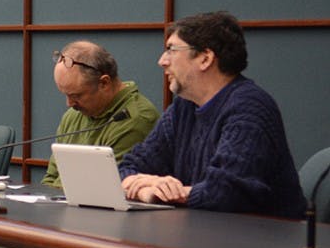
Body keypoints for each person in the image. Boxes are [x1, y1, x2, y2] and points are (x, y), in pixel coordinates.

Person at [119, 11, 305, 218]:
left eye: (171, 50)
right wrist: (147, 190)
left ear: (205, 58)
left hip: (264, 241)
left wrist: (168, 193)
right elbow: (129, 166)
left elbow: (227, 192)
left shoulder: (250, 107)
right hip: (205, 232)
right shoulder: (184, 108)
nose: (162, 61)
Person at [42, 41, 159, 187]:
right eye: (65, 95)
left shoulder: (137, 118)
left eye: (76, 96)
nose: (69, 104)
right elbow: (50, 179)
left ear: (104, 83)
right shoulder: (72, 116)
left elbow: (105, 188)